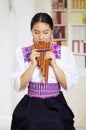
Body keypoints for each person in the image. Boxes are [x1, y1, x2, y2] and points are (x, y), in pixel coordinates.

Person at [9, 12, 79, 130]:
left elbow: (67, 84)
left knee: (58, 123)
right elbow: (18, 86)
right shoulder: (22, 53)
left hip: (55, 103)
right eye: (36, 32)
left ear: (51, 31)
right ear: (31, 32)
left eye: (45, 32)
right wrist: (32, 65)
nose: (41, 37)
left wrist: (54, 64)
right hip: (31, 103)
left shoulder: (64, 52)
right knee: (29, 123)